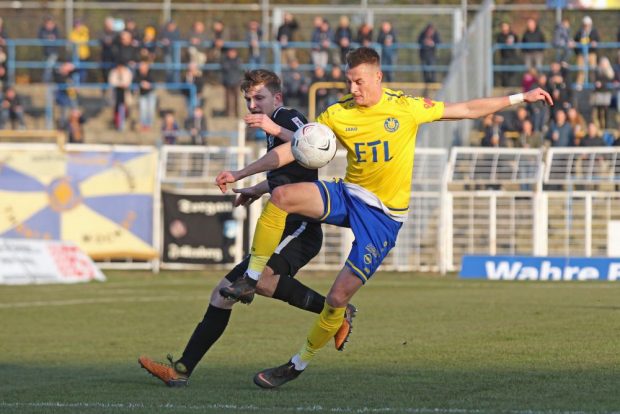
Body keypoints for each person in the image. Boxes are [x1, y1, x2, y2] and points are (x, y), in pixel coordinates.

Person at [216, 47, 553, 389]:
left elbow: (465, 109)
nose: (354, 89)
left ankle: (296, 365)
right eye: (349, 81)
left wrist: (519, 97)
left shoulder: (405, 108)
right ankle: (251, 278)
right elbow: (293, 150)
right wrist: (243, 175)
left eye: (359, 81)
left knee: (336, 299)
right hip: (351, 195)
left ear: (377, 76)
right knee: (282, 196)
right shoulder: (337, 113)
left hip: (384, 219)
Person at [138, 69, 355, 387]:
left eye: (259, 98)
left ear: (277, 98)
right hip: (280, 226)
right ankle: (180, 370)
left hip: (300, 228)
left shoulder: (289, 117)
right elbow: (285, 169)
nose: (253, 105)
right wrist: (256, 189)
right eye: (248, 99)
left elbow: (312, 146)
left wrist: (254, 155)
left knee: (262, 283)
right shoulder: (276, 127)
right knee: (220, 295)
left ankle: (338, 313)